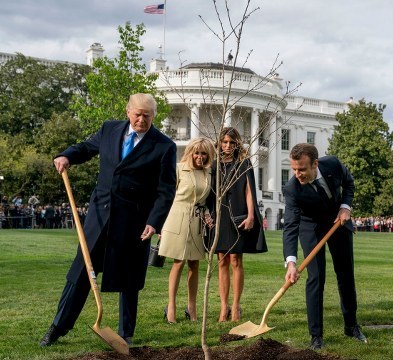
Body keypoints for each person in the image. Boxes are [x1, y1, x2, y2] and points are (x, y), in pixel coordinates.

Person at [39, 93, 177, 347]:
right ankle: (57, 327)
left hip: (134, 223)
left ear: (154, 116)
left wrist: (154, 221)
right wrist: (66, 155)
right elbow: (85, 148)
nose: (141, 119)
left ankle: (126, 334)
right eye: (137, 114)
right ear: (128, 111)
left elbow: (166, 190)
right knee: (80, 273)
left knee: (129, 279)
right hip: (99, 216)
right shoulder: (109, 129)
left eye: (147, 115)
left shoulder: (164, 146)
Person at [282, 143, 366, 350]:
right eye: (294, 169)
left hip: (339, 222)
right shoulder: (292, 189)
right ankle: (316, 336)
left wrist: (345, 207)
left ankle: (351, 325)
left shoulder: (333, 165)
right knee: (316, 278)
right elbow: (291, 226)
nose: (297, 174)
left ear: (315, 164)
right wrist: (291, 262)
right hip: (311, 228)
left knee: (346, 274)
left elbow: (349, 183)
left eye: (302, 169)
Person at [207, 127, 267, 322]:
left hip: (238, 214)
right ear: (219, 143)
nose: (227, 146)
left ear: (237, 144)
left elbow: (250, 191)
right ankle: (223, 307)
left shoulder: (243, 163)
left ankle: (236, 305)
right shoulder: (214, 165)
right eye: (224, 142)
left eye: (231, 142)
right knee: (222, 260)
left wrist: (251, 216)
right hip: (219, 215)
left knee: (236, 260)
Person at [159, 137, 215, 323]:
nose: (200, 157)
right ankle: (171, 307)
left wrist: (207, 214)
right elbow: (166, 196)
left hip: (197, 221)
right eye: (197, 152)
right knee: (178, 262)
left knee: (195, 264)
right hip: (177, 217)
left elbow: (204, 200)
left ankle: (191, 307)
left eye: (204, 153)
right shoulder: (178, 168)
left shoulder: (209, 173)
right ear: (190, 152)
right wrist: (159, 222)